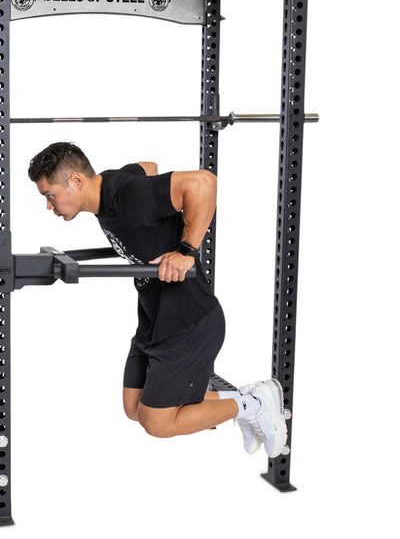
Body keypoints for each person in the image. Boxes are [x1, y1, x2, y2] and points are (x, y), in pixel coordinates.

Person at [27, 141, 287, 457]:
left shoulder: (127, 196)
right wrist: (162, 221)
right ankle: (245, 403)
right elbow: (148, 167)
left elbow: (203, 182)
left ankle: (253, 403)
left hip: (189, 325)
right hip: (154, 322)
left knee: (157, 423)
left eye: (50, 195)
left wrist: (186, 251)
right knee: (134, 407)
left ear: (77, 181)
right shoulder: (111, 187)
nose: (49, 205)